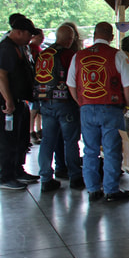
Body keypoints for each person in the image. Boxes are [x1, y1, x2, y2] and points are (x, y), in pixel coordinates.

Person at [67, 22, 129, 202]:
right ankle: (111, 190)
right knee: (112, 150)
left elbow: (71, 84)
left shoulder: (78, 56)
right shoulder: (118, 55)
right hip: (111, 108)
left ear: (94, 35)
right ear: (112, 37)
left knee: (90, 150)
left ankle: (92, 189)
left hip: (86, 108)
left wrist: (81, 102)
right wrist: (127, 106)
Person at [33, 24, 84, 192]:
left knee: (47, 141)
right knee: (71, 141)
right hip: (65, 104)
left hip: (45, 103)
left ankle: (46, 178)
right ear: (70, 39)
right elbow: (75, 79)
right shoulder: (69, 55)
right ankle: (75, 176)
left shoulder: (43, 54)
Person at [0, 14, 40, 190]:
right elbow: (0, 74)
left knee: (20, 138)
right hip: (5, 103)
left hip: (20, 100)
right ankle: (6, 176)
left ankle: (18, 170)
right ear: (19, 32)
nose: (31, 38)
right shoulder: (5, 49)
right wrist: (8, 100)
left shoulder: (19, 47)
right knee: (7, 140)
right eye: (29, 34)